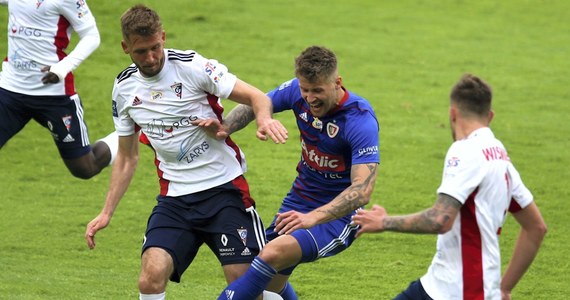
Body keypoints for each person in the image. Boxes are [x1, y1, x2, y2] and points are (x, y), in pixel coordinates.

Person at [83, 4, 288, 300]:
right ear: (125, 47)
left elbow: (257, 96)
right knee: (150, 277)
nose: (151, 58)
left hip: (224, 192)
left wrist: (265, 118)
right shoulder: (124, 88)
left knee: (245, 288)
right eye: (141, 51)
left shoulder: (192, 66)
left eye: (156, 47)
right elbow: (128, 157)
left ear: (163, 37)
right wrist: (106, 212)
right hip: (175, 199)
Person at [201, 45, 380, 300]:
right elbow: (259, 102)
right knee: (267, 282)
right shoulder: (297, 91)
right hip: (299, 200)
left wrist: (312, 218)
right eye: (305, 90)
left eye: (318, 90)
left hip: (338, 216)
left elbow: (362, 190)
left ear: (337, 82)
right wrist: (225, 128)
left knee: (271, 254)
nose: (310, 97)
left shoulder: (359, 120)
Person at [352, 74, 547, 300]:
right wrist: (504, 288)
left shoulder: (464, 150)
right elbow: (536, 227)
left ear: (452, 114)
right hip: (449, 286)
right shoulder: (502, 158)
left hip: (458, 292)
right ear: (490, 116)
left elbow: (440, 219)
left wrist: (383, 222)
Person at [0, 0, 117, 179]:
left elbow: (92, 36)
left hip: (54, 94)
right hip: (10, 89)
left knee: (85, 168)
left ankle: (126, 134)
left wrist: (63, 68)